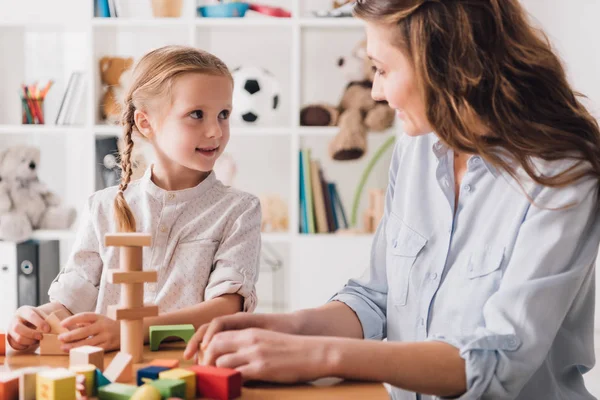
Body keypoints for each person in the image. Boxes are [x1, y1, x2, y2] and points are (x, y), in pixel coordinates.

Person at [183, 1, 600, 399]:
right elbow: (376, 297)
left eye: (382, 70)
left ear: (443, 63)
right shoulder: (416, 148)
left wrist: (317, 355)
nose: (377, 92)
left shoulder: (562, 174)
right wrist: (288, 327)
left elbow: (499, 361)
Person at [7, 45, 261, 353]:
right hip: (109, 376)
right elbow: (72, 301)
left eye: (223, 115)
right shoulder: (102, 207)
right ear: (145, 123)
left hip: (191, 372)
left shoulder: (239, 210)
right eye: (197, 114)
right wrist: (35, 320)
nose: (215, 131)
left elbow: (225, 309)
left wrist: (129, 332)